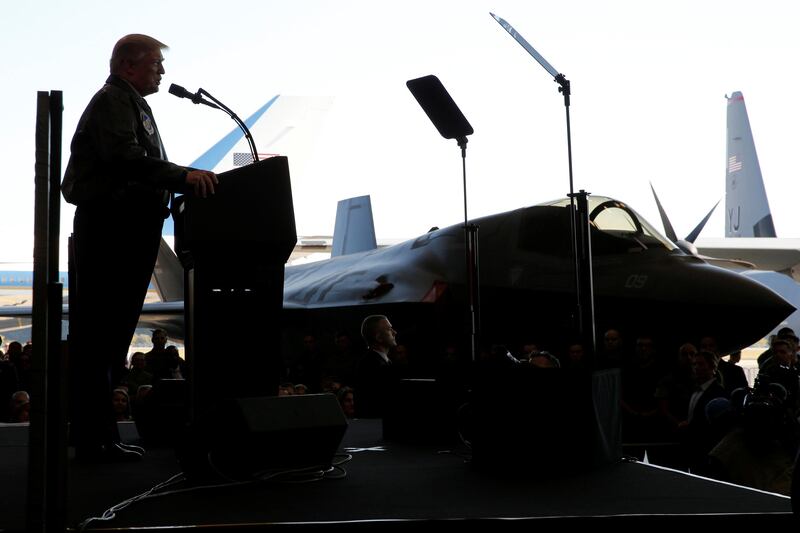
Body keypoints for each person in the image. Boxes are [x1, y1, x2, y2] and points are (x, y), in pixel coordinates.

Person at [62, 34, 218, 463]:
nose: (162, 73)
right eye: (155, 65)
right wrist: (183, 177)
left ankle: (98, 438)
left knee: (109, 340)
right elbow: (125, 159)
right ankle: (94, 441)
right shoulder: (114, 100)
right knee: (101, 338)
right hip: (113, 229)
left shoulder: (129, 100)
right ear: (128, 66)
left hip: (128, 228)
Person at [354, 315, 397, 418]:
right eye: (389, 329)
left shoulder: (380, 362)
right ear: (378, 337)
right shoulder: (371, 365)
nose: (394, 332)